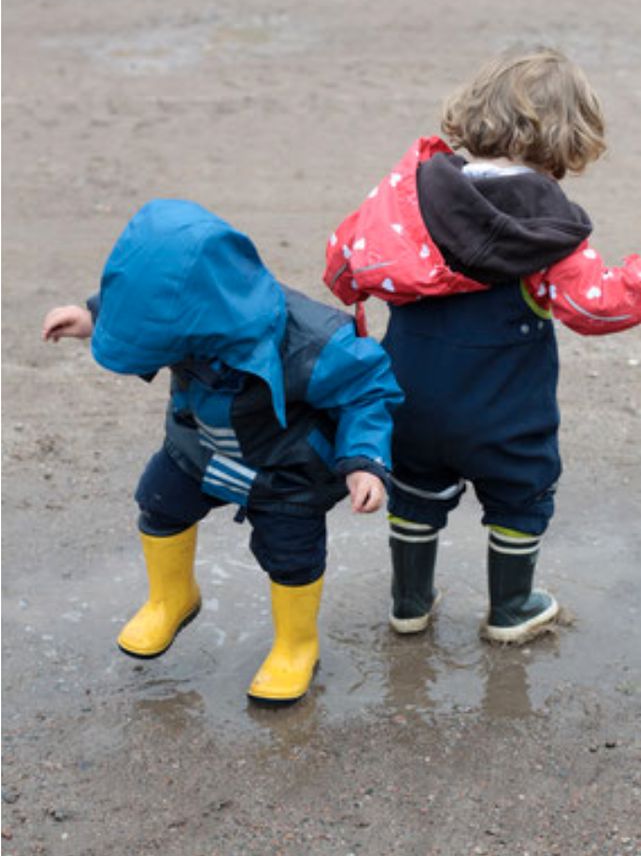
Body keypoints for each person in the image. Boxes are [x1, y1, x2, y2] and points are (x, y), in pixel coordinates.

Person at [324, 46, 641, 645]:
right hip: (505, 409)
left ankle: (409, 603)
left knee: (414, 492)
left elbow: (345, 262)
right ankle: (512, 608)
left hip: (409, 395)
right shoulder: (545, 227)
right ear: (568, 137)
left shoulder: (413, 197)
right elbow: (593, 305)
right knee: (520, 497)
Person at [43, 199, 403, 703]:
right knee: (159, 500)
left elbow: (367, 390)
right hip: (201, 446)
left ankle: (296, 644)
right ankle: (173, 598)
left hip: (286, 469)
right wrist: (93, 317)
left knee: (291, 555)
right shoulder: (180, 309)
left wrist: (366, 462)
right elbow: (143, 299)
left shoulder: (312, 344)